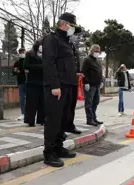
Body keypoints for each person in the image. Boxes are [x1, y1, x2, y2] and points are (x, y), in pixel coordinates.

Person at [42, 12, 79, 167]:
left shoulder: (67, 42)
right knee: (53, 120)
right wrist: (55, 86)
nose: (73, 29)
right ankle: (49, 153)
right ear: (64, 24)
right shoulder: (52, 39)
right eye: (72, 26)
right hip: (57, 87)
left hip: (69, 85)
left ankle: (58, 147)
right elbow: (49, 63)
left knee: (64, 119)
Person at [23, 39, 45, 127]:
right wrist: (39, 67)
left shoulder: (45, 55)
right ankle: (30, 120)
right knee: (31, 102)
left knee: (42, 102)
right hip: (32, 81)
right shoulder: (29, 54)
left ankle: (42, 120)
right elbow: (26, 66)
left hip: (43, 82)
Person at [81, 44, 104, 126]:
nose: (97, 53)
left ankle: (94, 118)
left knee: (95, 102)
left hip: (97, 85)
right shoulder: (87, 60)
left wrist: (101, 81)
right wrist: (85, 82)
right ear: (91, 51)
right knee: (89, 103)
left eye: (98, 51)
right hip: (90, 85)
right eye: (95, 51)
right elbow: (83, 72)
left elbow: (100, 72)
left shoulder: (97, 61)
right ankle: (89, 119)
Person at [65, 31, 82, 135]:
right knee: (65, 106)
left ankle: (70, 124)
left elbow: (76, 62)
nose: (75, 37)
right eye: (74, 34)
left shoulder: (73, 46)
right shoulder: (63, 44)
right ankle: (63, 126)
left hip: (73, 79)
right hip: (65, 80)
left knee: (72, 104)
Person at [13, 48, 27, 121]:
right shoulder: (17, 62)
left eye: (23, 52)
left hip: (29, 82)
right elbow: (14, 72)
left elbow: (27, 70)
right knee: (22, 99)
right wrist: (22, 71)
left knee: (30, 98)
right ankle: (23, 114)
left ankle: (31, 113)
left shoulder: (27, 61)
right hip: (21, 82)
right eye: (20, 52)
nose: (22, 53)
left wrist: (19, 71)